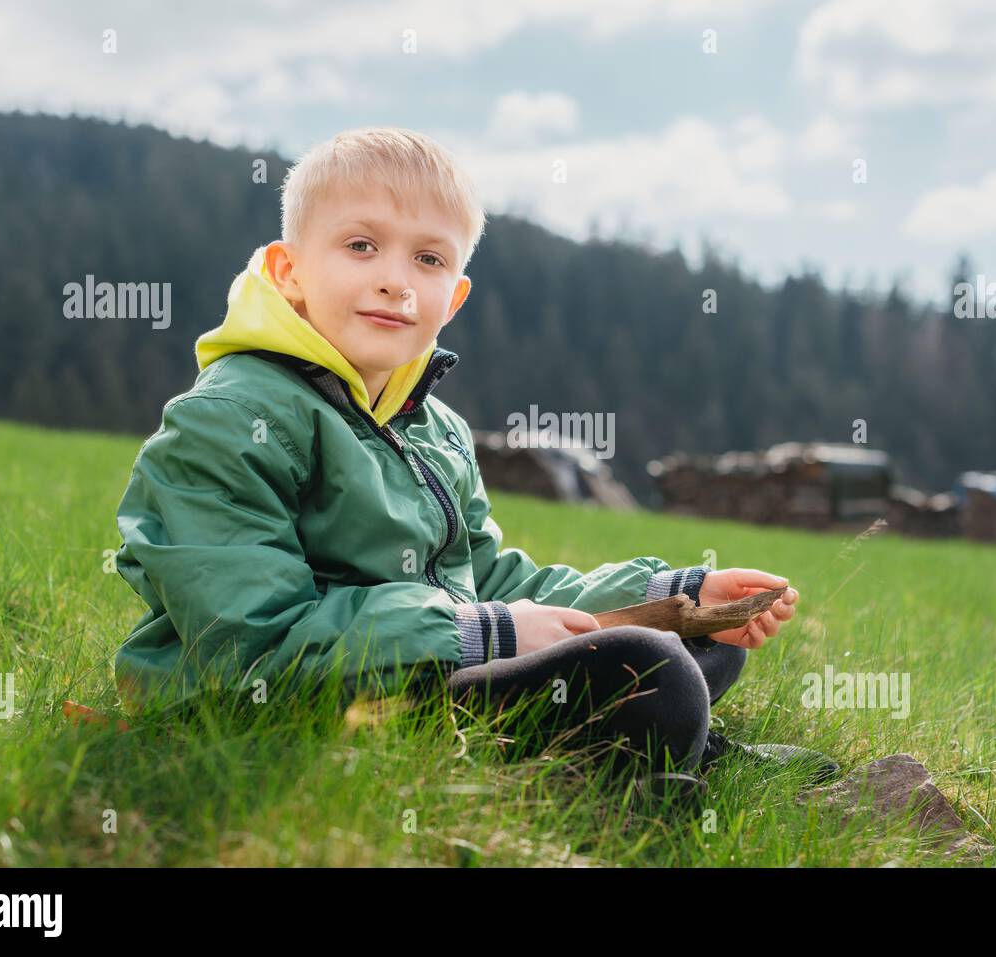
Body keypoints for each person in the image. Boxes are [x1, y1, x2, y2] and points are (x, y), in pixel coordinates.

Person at [112, 126, 838, 796]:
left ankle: (659, 748)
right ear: (289, 270)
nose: (397, 279)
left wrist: (672, 594)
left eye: (428, 258)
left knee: (691, 643)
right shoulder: (230, 419)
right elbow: (253, 639)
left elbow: (488, 578)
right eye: (361, 245)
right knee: (661, 673)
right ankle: (634, 756)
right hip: (276, 708)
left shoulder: (432, 427)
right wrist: (481, 633)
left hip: (421, 677)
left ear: (452, 297)